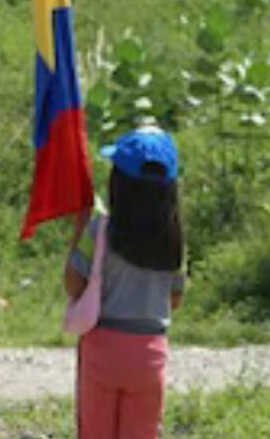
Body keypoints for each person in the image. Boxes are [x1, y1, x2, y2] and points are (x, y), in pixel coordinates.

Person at [65, 126, 185, 439]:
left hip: (102, 347)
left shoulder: (99, 230)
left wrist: (79, 232)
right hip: (150, 353)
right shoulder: (174, 240)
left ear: (118, 183)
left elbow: (74, 286)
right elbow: (175, 299)